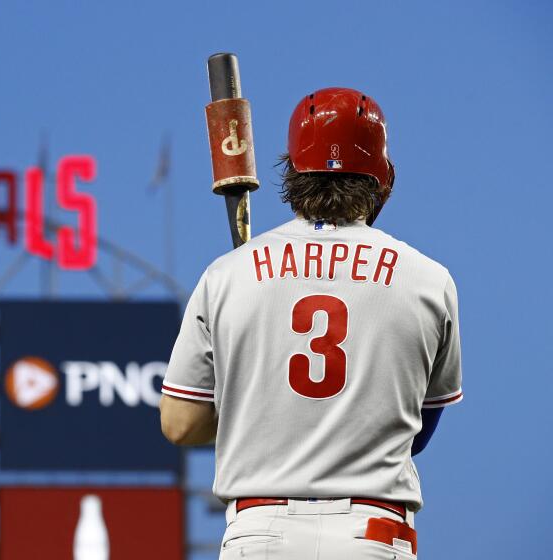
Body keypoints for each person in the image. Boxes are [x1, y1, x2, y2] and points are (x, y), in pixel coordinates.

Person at [159, 87, 462, 559]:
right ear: (385, 178)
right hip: (374, 532)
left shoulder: (228, 274)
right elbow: (415, 433)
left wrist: (256, 402)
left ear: (292, 173)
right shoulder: (429, 279)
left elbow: (180, 423)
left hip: (260, 531)